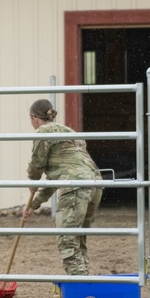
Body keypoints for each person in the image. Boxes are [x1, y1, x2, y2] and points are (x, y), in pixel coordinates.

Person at [22, 99, 102, 282]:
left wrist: (32, 179)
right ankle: (84, 281)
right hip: (94, 184)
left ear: (34, 118)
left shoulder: (44, 132)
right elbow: (56, 177)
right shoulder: (70, 133)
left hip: (75, 185)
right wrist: (33, 205)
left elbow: (37, 164)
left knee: (67, 240)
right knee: (78, 238)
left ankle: (80, 287)